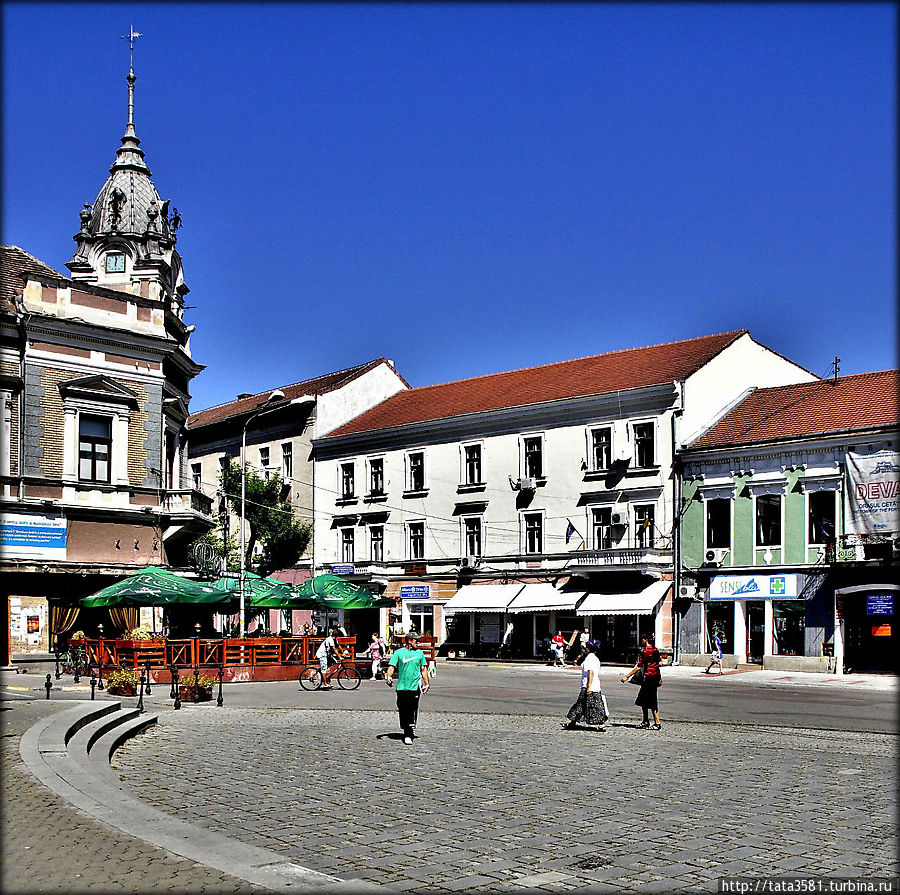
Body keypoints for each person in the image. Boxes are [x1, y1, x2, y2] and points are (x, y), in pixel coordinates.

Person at [385, 631, 430, 745]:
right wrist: (389, 676)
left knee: (412, 709)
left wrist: (426, 683)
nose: (418, 643)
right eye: (416, 640)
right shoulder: (399, 653)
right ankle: (406, 729)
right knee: (403, 709)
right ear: (409, 641)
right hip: (401, 686)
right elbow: (392, 666)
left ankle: (409, 733)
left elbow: (424, 669)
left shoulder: (420, 653)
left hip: (415, 686)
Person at [563, 639, 607, 731]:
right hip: (592, 686)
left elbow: (591, 672)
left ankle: (601, 724)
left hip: (590, 686)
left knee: (593, 705)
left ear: (589, 649)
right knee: (582, 704)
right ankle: (573, 722)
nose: (586, 648)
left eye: (587, 647)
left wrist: (589, 687)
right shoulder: (593, 658)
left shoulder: (590, 659)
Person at [621, 633, 662, 729]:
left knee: (651, 701)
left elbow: (639, 666)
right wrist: (659, 677)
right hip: (654, 676)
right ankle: (645, 721)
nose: (641, 640)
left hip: (648, 677)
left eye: (642, 639)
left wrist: (627, 676)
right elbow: (659, 663)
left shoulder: (645, 651)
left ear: (645, 639)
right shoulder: (655, 649)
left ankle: (657, 723)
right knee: (644, 699)